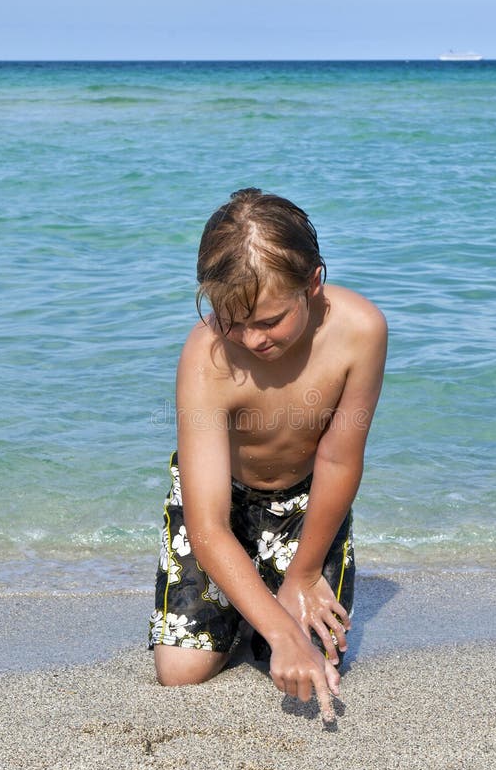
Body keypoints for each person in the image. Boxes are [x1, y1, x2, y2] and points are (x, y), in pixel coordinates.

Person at [148, 188, 387, 721]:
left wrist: (302, 578)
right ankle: (250, 611)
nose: (252, 339)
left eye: (270, 320)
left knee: (317, 660)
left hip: (307, 505)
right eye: (233, 320)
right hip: (221, 504)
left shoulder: (361, 331)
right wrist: (280, 629)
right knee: (180, 673)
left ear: (313, 284)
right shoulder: (207, 356)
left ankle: (264, 600)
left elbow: (339, 460)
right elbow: (206, 524)